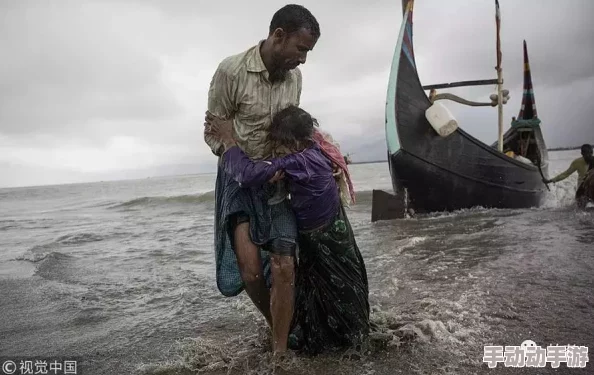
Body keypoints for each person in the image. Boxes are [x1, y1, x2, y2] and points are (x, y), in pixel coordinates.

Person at [202, 4, 320, 354]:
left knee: (284, 265)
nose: (303, 60)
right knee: (251, 271)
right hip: (238, 181)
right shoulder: (231, 71)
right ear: (278, 36)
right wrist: (235, 152)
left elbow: (291, 130)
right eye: (301, 49)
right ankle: (277, 324)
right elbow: (213, 134)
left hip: (277, 181)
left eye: (308, 52)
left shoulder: (295, 79)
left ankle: (281, 354)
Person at [208, 105, 370, 355]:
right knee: (339, 285)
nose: (276, 149)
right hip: (335, 229)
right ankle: (338, 340)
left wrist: (229, 141)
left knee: (339, 289)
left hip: (322, 239)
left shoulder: (298, 161)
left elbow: (248, 175)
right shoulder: (317, 148)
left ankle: (349, 343)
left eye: (280, 143)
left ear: (295, 143)